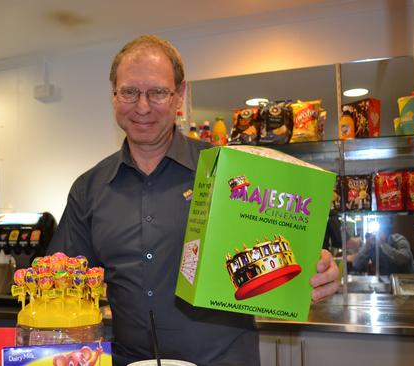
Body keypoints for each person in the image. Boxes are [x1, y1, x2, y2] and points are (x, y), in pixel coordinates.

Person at [47, 34, 340, 366]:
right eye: (129, 91)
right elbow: (62, 284)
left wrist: (317, 274)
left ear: (179, 96)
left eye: (157, 92)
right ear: (114, 95)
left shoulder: (231, 174)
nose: (142, 107)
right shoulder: (89, 189)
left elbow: (278, 255)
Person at [349, 223, 414, 276]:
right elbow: (356, 264)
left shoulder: (398, 239)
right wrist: (367, 246)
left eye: (381, 232)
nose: (377, 234)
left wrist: (383, 245)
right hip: (388, 281)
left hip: (409, 280)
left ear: (387, 233)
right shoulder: (372, 244)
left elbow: (403, 259)